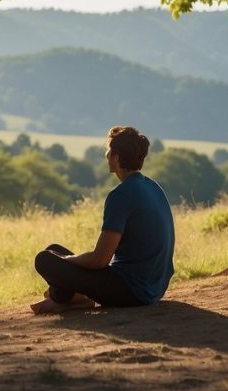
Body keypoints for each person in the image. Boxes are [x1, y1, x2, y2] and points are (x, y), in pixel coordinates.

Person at [30, 126, 174, 314]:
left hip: (131, 291)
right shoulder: (153, 187)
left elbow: (100, 260)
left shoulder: (120, 195)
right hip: (155, 287)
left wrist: (67, 261)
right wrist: (67, 261)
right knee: (54, 249)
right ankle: (70, 295)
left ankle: (64, 299)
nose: (106, 155)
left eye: (108, 151)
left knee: (45, 260)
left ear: (115, 157)